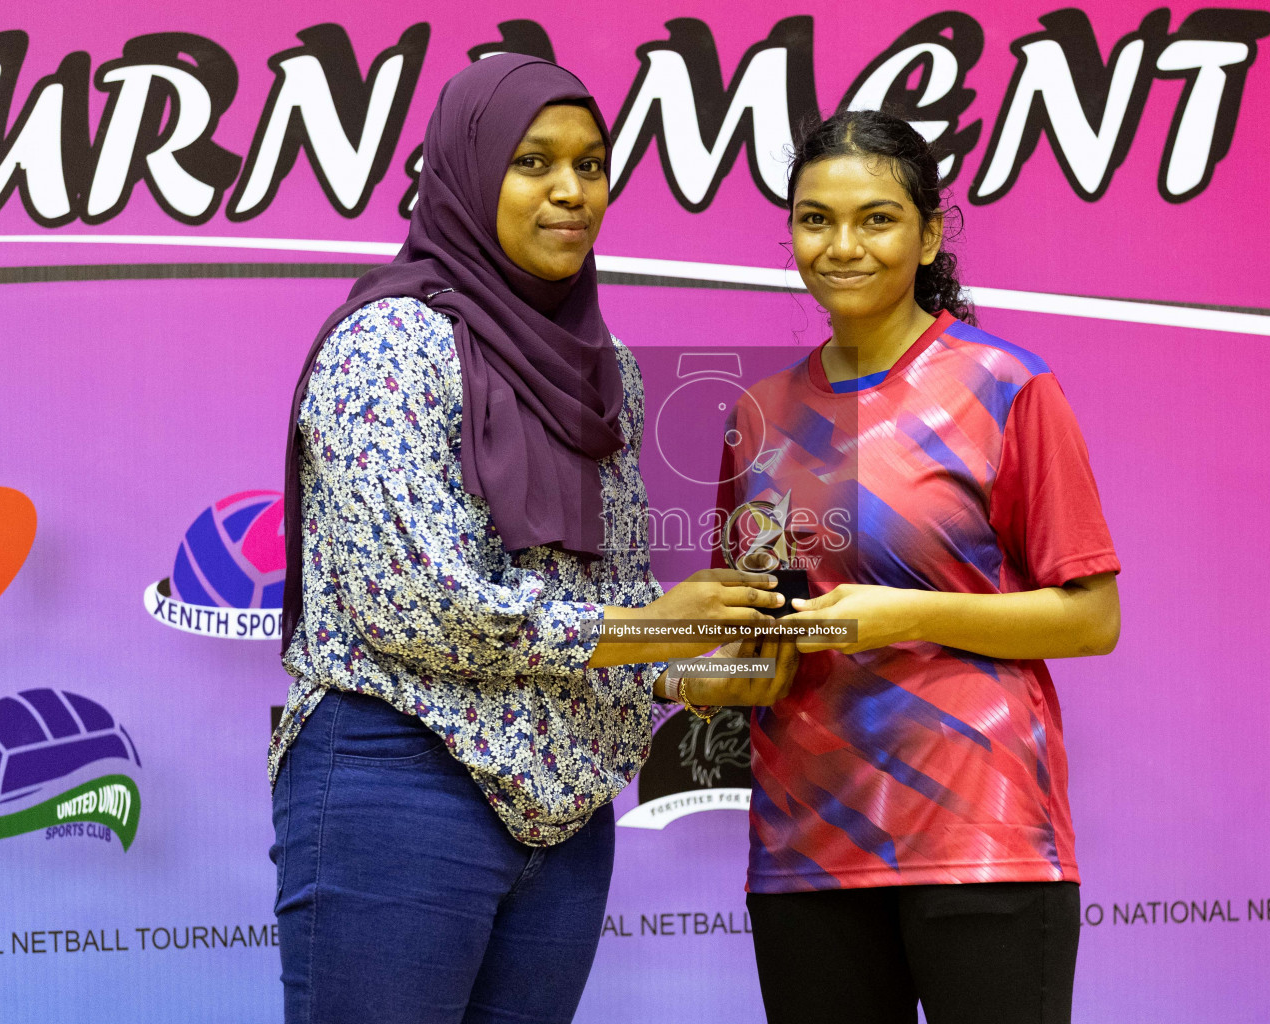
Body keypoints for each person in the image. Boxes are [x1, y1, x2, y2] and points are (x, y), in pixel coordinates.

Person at [269, 55, 796, 1024]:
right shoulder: (388, 344)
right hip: (402, 778)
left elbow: (615, 604)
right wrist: (645, 631)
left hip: (566, 818)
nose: (571, 190)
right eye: (533, 162)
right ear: (468, 175)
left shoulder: (610, 374)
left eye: (591, 165)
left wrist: (691, 671)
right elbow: (413, 601)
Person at [714, 110, 1122, 1024]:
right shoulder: (756, 414)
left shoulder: (1006, 386)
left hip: (981, 835)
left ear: (930, 233)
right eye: (815, 219)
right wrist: (712, 665)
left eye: (877, 218)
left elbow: (1092, 617)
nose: (841, 245)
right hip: (806, 849)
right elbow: (745, 630)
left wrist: (907, 614)